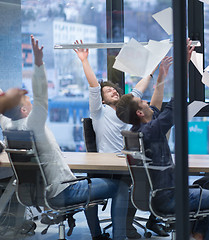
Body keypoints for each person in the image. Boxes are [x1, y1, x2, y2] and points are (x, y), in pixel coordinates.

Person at [0, 35, 129, 240]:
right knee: (121, 187)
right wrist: (38, 63)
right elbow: (41, 94)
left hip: (41, 194)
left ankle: (97, 236)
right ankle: (117, 237)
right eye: (26, 99)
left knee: (91, 182)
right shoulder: (34, 124)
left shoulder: (9, 125)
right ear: (25, 109)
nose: (31, 99)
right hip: (63, 191)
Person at [115, 47, 209, 240]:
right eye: (143, 103)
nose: (147, 102)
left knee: (205, 186)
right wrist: (184, 65)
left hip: (156, 197)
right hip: (170, 197)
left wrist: (162, 76)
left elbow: (157, 107)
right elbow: (175, 104)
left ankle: (195, 233)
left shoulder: (138, 131)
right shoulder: (152, 131)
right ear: (140, 113)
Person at [74, 41, 172, 238]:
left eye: (114, 89)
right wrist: (85, 61)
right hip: (106, 165)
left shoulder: (128, 110)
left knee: (146, 179)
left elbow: (139, 88)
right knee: (100, 191)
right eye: (108, 91)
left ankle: (135, 224)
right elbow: (94, 86)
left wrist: (153, 69)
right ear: (102, 100)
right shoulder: (99, 112)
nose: (114, 91)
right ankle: (98, 234)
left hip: (129, 163)